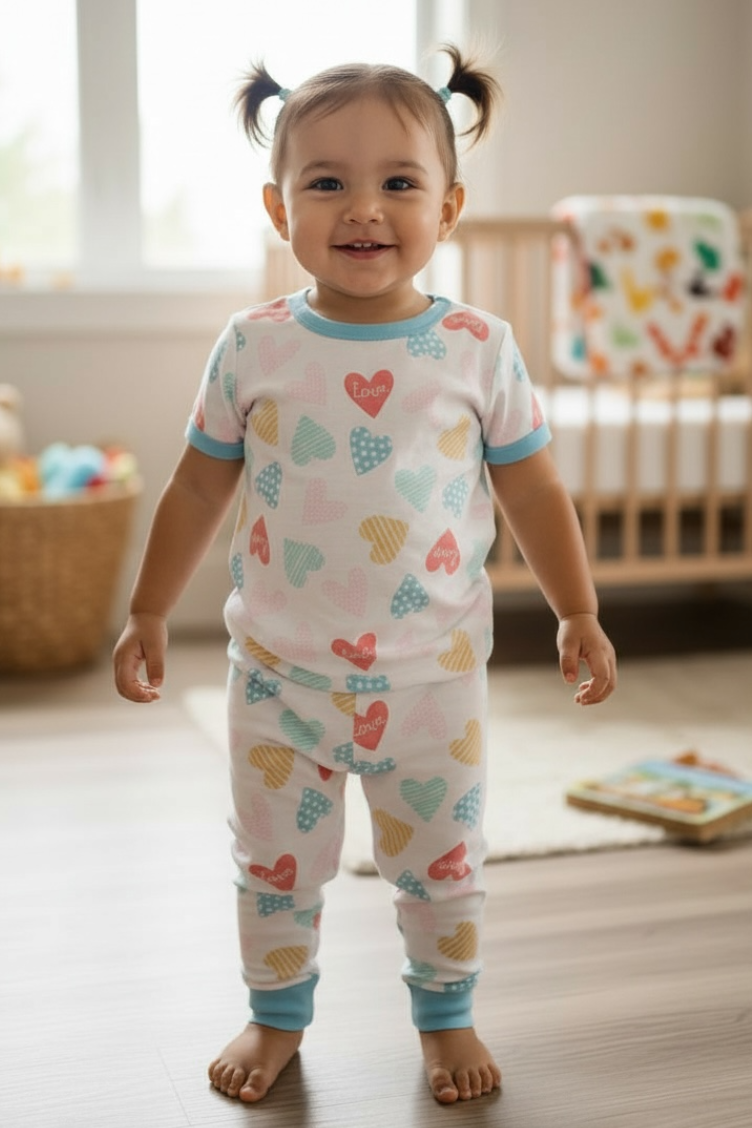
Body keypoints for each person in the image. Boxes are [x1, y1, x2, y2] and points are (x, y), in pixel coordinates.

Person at [113, 44, 617, 1106]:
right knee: (272, 866)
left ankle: (446, 1013)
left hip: (433, 678)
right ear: (277, 207)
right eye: (326, 182)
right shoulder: (251, 346)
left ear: (449, 207)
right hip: (277, 676)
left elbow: (531, 491)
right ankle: (274, 1015)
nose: (363, 209)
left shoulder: (479, 346)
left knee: (442, 864)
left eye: (397, 181)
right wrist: (149, 609)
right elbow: (198, 488)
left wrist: (576, 607)